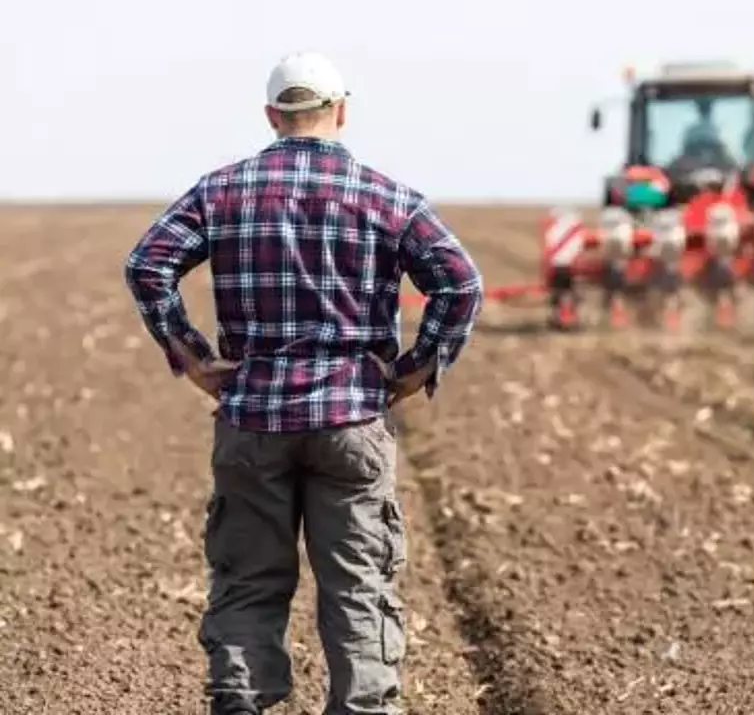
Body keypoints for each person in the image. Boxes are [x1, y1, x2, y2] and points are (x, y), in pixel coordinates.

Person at [122, 52, 483, 715]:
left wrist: (195, 360)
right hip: (350, 419)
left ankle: (240, 700)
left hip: (252, 419)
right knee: (359, 587)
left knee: (248, 583)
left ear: (271, 116)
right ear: (341, 111)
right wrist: (415, 370)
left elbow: (147, 265)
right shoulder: (388, 197)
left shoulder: (220, 190)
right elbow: (461, 282)